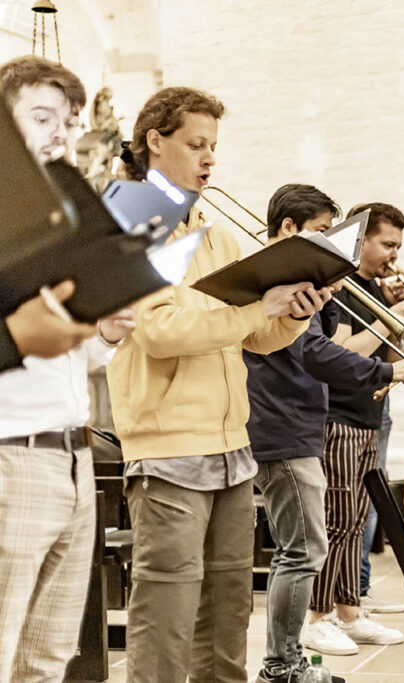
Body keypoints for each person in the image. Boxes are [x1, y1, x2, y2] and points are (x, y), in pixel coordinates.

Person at [107, 87, 328, 683]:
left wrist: (296, 311)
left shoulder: (216, 234)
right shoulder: (135, 225)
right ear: (155, 141)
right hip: (169, 447)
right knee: (168, 614)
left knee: (227, 615)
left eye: (214, 147)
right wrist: (261, 311)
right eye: (196, 144)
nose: (209, 159)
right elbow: (158, 331)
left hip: (233, 448)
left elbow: (256, 341)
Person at [0, 55, 135, 681]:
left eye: (66, 122)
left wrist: (103, 333)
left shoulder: (59, 224)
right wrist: (14, 335)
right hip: (1, 455)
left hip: (72, 456)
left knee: (51, 657)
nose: (60, 134)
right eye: (41, 118)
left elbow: (68, 355)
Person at [245, 184, 404, 683]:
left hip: (300, 421)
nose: (331, 244)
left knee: (307, 545)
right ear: (288, 230)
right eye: (322, 232)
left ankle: (286, 660)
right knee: (303, 549)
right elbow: (315, 353)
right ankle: (284, 663)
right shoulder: (277, 281)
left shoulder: (303, 282)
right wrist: (387, 373)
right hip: (281, 424)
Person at [304, 203, 404, 655]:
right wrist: (388, 320)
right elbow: (343, 351)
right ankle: (317, 616)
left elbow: (385, 359)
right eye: (387, 244)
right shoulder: (344, 286)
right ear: (362, 240)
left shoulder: (373, 287)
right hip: (339, 416)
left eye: (398, 246)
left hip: (367, 415)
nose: (393, 255)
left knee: (355, 522)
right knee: (335, 520)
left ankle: (349, 610)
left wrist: (403, 323)